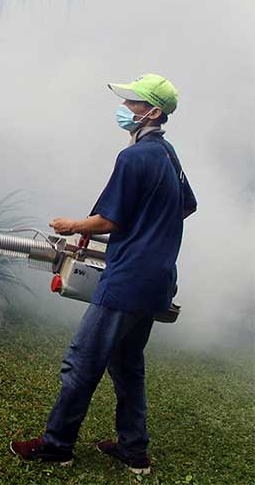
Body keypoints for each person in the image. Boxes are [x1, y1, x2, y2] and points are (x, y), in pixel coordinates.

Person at [10, 74, 197, 475]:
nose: (125, 109)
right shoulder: (168, 155)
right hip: (158, 279)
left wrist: (74, 225)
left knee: (81, 362)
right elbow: (185, 206)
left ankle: (56, 445)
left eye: (133, 104)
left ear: (154, 112)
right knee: (127, 362)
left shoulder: (134, 157)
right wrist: (149, 230)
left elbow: (109, 219)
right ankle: (134, 450)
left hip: (127, 280)